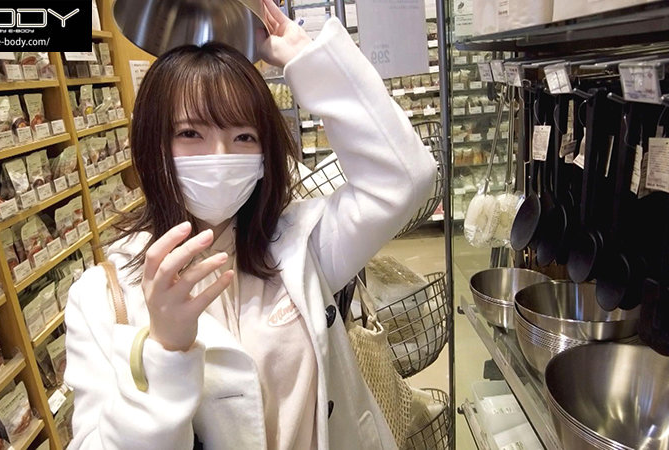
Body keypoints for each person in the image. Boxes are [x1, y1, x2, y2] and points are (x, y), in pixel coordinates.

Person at [64, 0, 437, 448]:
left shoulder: (302, 245)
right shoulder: (101, 298)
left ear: (265, 155)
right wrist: (165, 352)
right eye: (190, 134)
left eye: (243, 136)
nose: (220, 156)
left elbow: (404, 179)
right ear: (152, 144)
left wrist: (306, 58)